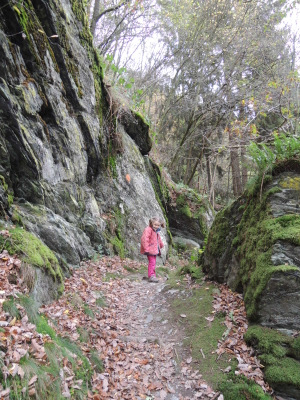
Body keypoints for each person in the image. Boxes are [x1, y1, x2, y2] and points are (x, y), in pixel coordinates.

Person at [140, 217, 165, 283]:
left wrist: (161, 245)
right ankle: (151, 276)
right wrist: (146, 248)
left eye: (158, 225)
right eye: (155, 225)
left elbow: (158, 239)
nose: (156, 226)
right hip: (150, 249)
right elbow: (145, 239)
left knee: (153, 262)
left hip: (154, 250)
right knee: (152, 262)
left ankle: (153, 275)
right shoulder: (148, 229)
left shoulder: (156, 231)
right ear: (151, 223)